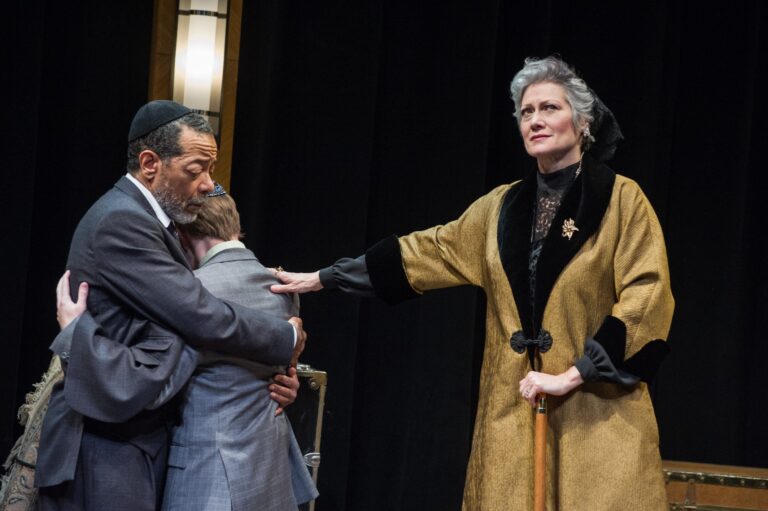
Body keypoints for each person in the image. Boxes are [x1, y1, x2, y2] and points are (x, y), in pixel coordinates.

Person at [272, 56, 674, 509]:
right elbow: (428, 252)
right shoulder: (499, 209)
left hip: (596, 416)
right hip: (514, 417)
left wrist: (573, 374)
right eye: (526, 112)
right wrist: (326, 277)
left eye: (549, 108)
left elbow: (647, 296)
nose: (536, 121)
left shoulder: (622, 201)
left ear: (582, 122)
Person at [36, 100, 306, 511]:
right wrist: (284, 337)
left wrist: (265, 378)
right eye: (196, 170)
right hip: (104, 449)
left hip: (126, 442)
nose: (207, 185)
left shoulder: (148, 222)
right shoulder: (123, 222)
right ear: (150, 163)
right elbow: (199, 315)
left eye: (210, 171)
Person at [159, 185, 317, 510]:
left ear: (183, 235)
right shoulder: (283, 287)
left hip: (207, 476)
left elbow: (159, 382)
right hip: (270, 471)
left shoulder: (192, 292)